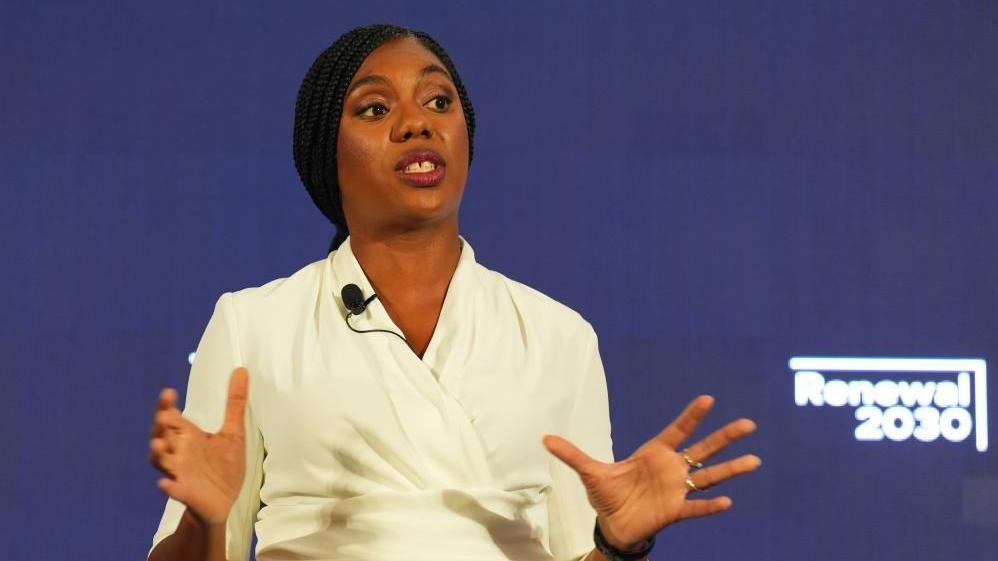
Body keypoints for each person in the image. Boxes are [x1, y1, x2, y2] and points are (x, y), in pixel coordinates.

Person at [146, 23, 761, 561]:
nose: (417, 122)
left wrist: (619, 545)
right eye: (375, 109)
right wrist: (207, 519)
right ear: (324, 156)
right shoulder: (255, 323)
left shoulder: (556, 334)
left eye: (438, 101)